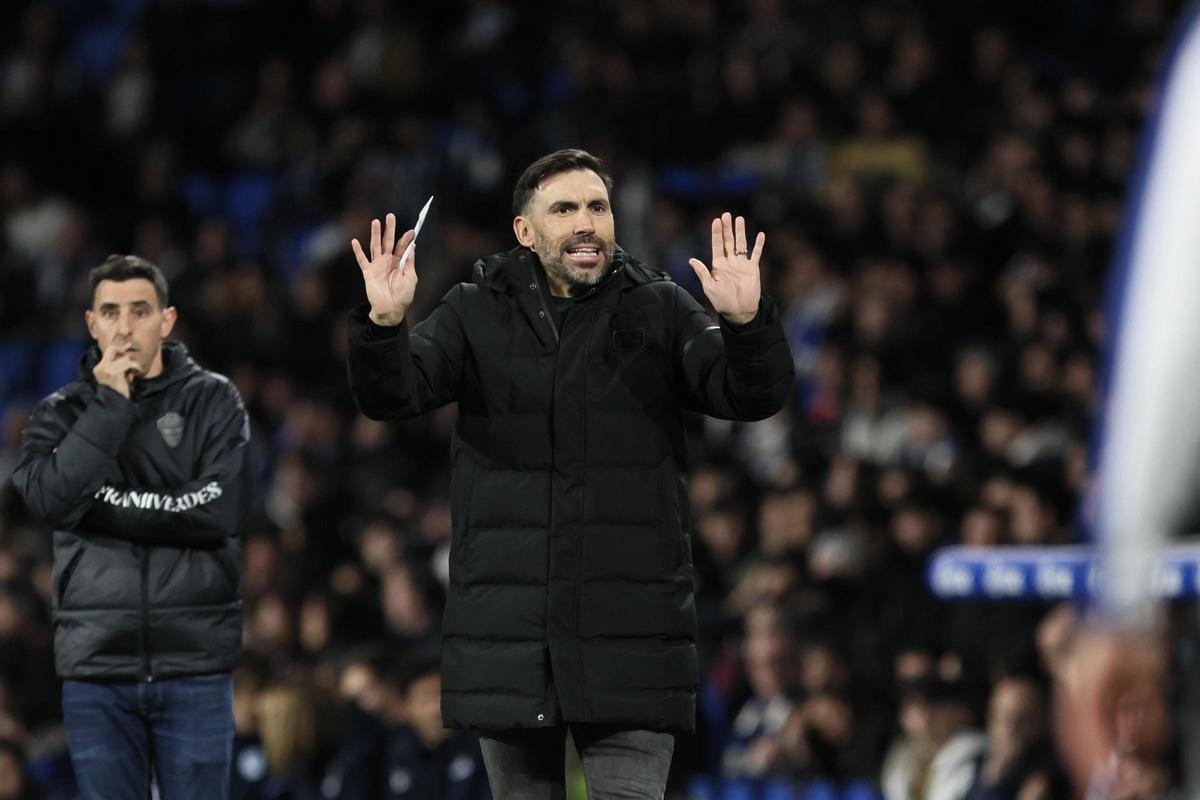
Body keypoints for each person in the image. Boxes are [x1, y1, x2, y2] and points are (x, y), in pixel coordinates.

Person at [345, 148, 795, 798]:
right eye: (565, 209)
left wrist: (748, 323)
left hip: (631, 636)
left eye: (597, 207)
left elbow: (749, 395)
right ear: (525, 232)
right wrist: (385, 326)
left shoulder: (660, 308)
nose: (586, 222)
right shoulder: (473, 310)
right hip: (510, 639)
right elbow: (393, 396)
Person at [10, 255, 254, 799]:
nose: (124, 327)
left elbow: (220, 509)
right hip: (97, 673)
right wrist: (108, 407)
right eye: (110, 312)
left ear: (167, 321)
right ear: (91, 323)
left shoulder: (214, 400)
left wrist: (99, 502)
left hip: (194, 666)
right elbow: (49, 498)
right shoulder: (59, 413)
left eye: (140, 311)